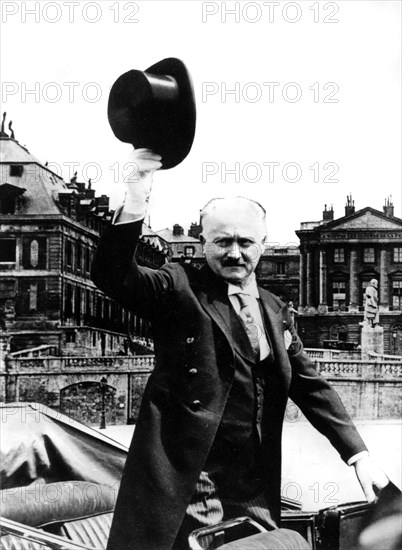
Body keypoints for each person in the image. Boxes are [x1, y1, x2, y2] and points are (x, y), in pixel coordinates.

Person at [91, 149, 389, 550]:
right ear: (202, 242)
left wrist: (359, 456)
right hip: (189, 478)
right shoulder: (179, 287)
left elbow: (312, 388)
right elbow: (112, 276)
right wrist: (137, 197)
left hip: (253, 482)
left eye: (245, 242)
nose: (235, 252)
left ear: (263, 244)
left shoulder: (273, 308)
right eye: (222, 241)